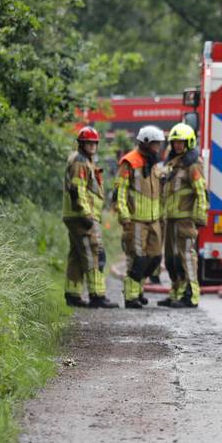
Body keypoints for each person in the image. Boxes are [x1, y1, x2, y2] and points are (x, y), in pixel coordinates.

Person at [63, 125, 113, 308]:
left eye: (94, 143)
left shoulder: (84, 160)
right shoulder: (80, 162)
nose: (92, 146)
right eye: (88, 143)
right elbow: (77, 190)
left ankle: (73, 294)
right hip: (81, 216)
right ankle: (97, 295)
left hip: (76, 215)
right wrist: (86, 213)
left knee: (77, 255)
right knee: (94, 253)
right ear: (81, 144)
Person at [159, 123, 208, 308]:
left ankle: (192, 295)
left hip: (185, 220)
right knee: (172, 259)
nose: (177, 146)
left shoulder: (192, 164)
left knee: (186, 257)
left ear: (189, 142)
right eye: (175, 142)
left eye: (181, 142)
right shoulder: (172, 163)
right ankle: (176, 293)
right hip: (171, 220)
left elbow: (201, 192)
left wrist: (200, 217)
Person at [116, 125, 166, 309]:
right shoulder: (129, 161)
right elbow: (120, 191)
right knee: (137, 258)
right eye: (155, 144)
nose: (158, 148)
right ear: (145, 143)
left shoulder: (153, 162)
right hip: (135, 219)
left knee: (154, 258)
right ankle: (131, 296)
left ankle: (138, 289)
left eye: (159, 144)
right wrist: (124, 215)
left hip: (154, 219)